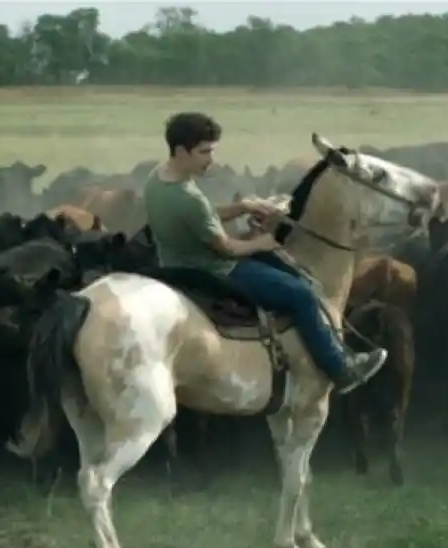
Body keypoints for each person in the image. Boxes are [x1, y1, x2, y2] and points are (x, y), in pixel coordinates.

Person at [143, 111, 387, 394]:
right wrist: (264, 243)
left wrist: (245, 206)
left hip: (172, 263)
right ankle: (341, 368)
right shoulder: (189, 198)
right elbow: (227, 247)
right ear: (181, 150)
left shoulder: (157, 179)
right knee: (302, 294)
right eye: (204, 152)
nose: (211, 159)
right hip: (214, 269)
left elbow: (200, 217)